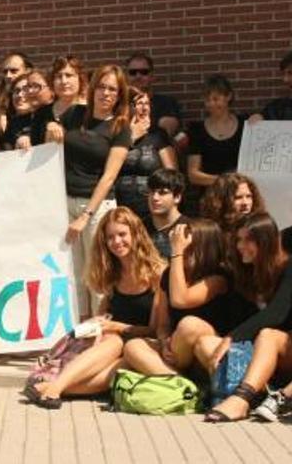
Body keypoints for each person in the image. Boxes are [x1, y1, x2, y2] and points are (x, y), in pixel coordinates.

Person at [23, 207, 165, 409]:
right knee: (112, 343)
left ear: (136, 234)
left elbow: (155, 329)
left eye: (122, 234)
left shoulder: (157, 273)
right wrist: (94, 326)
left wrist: (114, 326)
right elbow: (101, 318)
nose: (116, 242)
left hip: (144, 345)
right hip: (112, 342)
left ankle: (54, 387)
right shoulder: (113, 274)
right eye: (110, 238)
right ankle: (53, 389)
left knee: (120, 355)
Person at [50, 64, 133, 317]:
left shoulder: (120, 128)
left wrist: (86, 215)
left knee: (97, 276)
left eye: (113, 90)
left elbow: (109, 177)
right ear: (92, 88)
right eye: (102, 87)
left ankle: (97, 335)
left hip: (97, 207)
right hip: (65, 200)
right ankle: (77, 334)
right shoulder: (74, 114)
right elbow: (52, 151)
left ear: (119, 96)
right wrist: (50, 132)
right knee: (72, 273)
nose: (106, 94)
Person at [194, 213, 292, 422]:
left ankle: (242, 400)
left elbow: (277, 313)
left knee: (268, 335)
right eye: (238, 239)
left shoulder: (288, 267)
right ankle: (256, 392)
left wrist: (231, 337)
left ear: (265, 242)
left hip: (284, 347)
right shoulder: (247, 272)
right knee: (206, 344)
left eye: (248, 240)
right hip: (265, 356)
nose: (240, 246)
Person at [123, 219, 238, 377]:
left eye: (188, 244)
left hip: (207, 346)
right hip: (177, 350)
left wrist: (176, 252)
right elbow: (163, 324)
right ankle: (180, 382)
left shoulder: (218, 277)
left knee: (189, 325)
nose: (184, 247)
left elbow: (180, 300)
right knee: (133, 346)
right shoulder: (170, 274)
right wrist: (163, 342)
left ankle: (174, 380)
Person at [114, 87, 177, 222]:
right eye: (138, 104)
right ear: (127, 107)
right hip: (120, 207)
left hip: (151, 207)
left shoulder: (158, 135)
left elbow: (171, 173)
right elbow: (109, 167)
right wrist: (131, 138)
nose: (144, 108)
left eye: (147, 103)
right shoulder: (116, 134)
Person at [186, 75, 246, 194]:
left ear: (228, 96)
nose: (211, 104)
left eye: (216, 99)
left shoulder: (245, 125)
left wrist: (258, 118)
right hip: (211, 197)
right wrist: (225, 181)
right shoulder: (197, 130)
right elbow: (193, 175)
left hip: (240, 195)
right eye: (207, 100)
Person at [31, 56, 87, 146]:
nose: (64, 81)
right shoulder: (41, 114)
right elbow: (34, 145)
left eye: (69, 75)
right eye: (58, 76)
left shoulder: (89, 111)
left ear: (80, 79)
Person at [125, 52, 182, 138]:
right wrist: (157, 122)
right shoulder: (118, 104)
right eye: (133, 72)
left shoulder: (166, 102)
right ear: (126, 76)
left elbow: (169, 128)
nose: (138, 76)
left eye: (144, 72)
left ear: (152, 76)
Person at [199, 172, 265, 236]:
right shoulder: (209, 233)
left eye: (249, 196)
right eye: (238, 198)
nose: (245, 202)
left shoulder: (261, 228)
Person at [144, 168, 189, 258]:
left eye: (162, 193)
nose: (155, 198)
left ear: (177, 197)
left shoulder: (189, 229)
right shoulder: (138, 227)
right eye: (151, 192)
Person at [14, 69, 54, 150]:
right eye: (28, 86)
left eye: (36, 86)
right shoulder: (21, 120)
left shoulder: (57, 114)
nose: (30, 91)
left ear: (51, 89)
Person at [250, 50, 292, 121]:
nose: (285, 79)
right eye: (283, 74)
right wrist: (258, 119)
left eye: (291, 73)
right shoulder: (276, 108)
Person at [4, 75, 37, 150]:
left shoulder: (45, 119)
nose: (20, 95)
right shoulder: (12, 123)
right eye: (17, 91)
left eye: (25, 90)